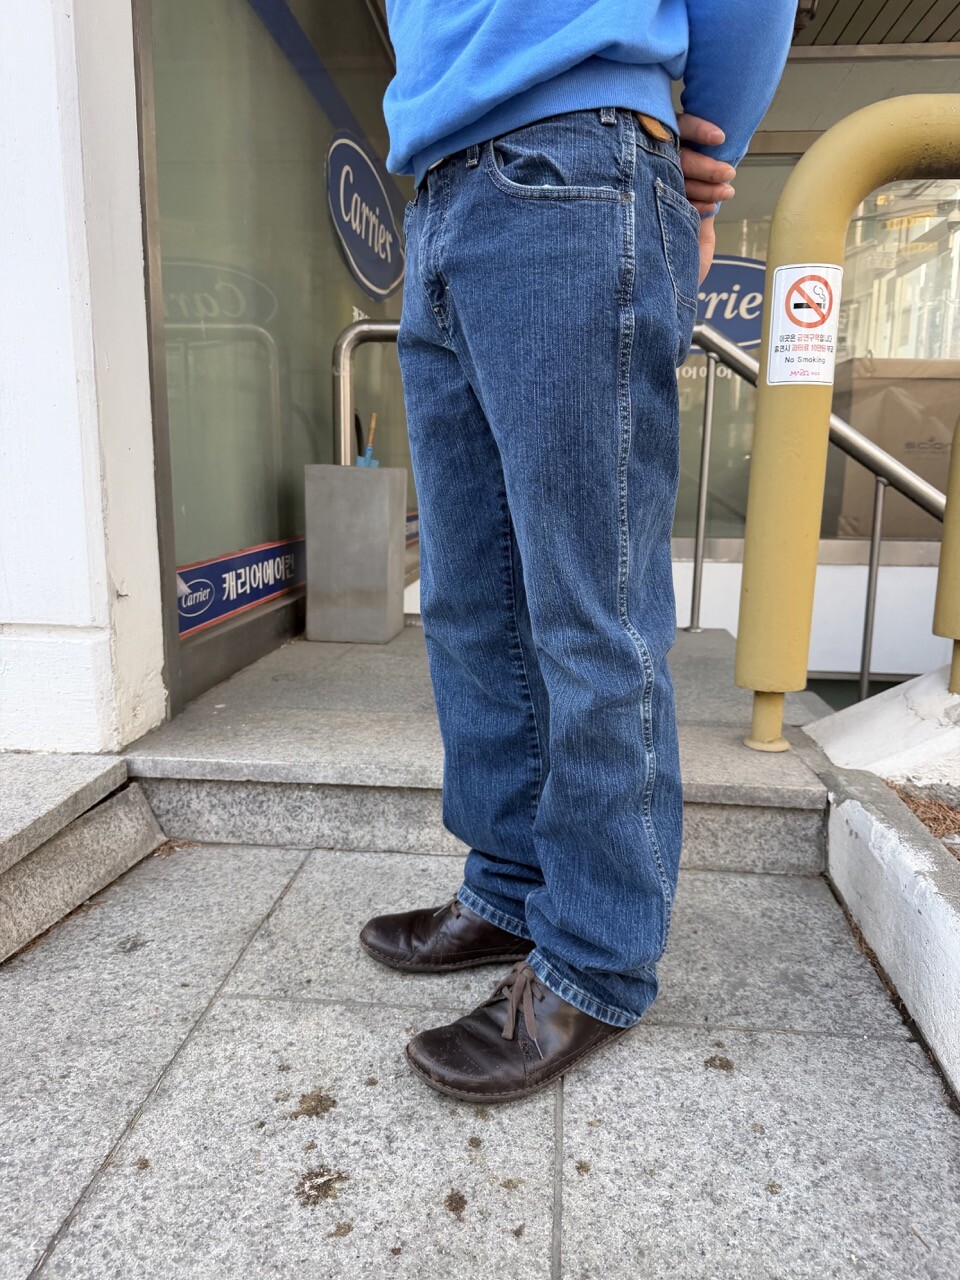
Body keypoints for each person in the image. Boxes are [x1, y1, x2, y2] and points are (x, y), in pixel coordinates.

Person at [360, 0, 796, 1103]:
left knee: (587, 605)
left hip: (575, 158)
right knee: (471, 599)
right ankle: (510, 885)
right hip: (441, 190)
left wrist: (707, 157)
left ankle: (598, 957)